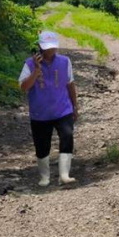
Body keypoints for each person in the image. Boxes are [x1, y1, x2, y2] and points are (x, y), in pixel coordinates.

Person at [19, 31, 78, 187]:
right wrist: (36, 71)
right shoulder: (29, 64)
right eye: (47, 48)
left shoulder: (65, 62)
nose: (51, 51)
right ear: (40, 47)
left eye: (53, 47)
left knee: (67, 136)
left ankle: (64, 175)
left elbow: (70, 84)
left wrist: (75, 106)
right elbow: (24, 87)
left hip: (63, 109)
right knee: (41, 144)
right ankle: (44, 176)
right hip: (40, 113)